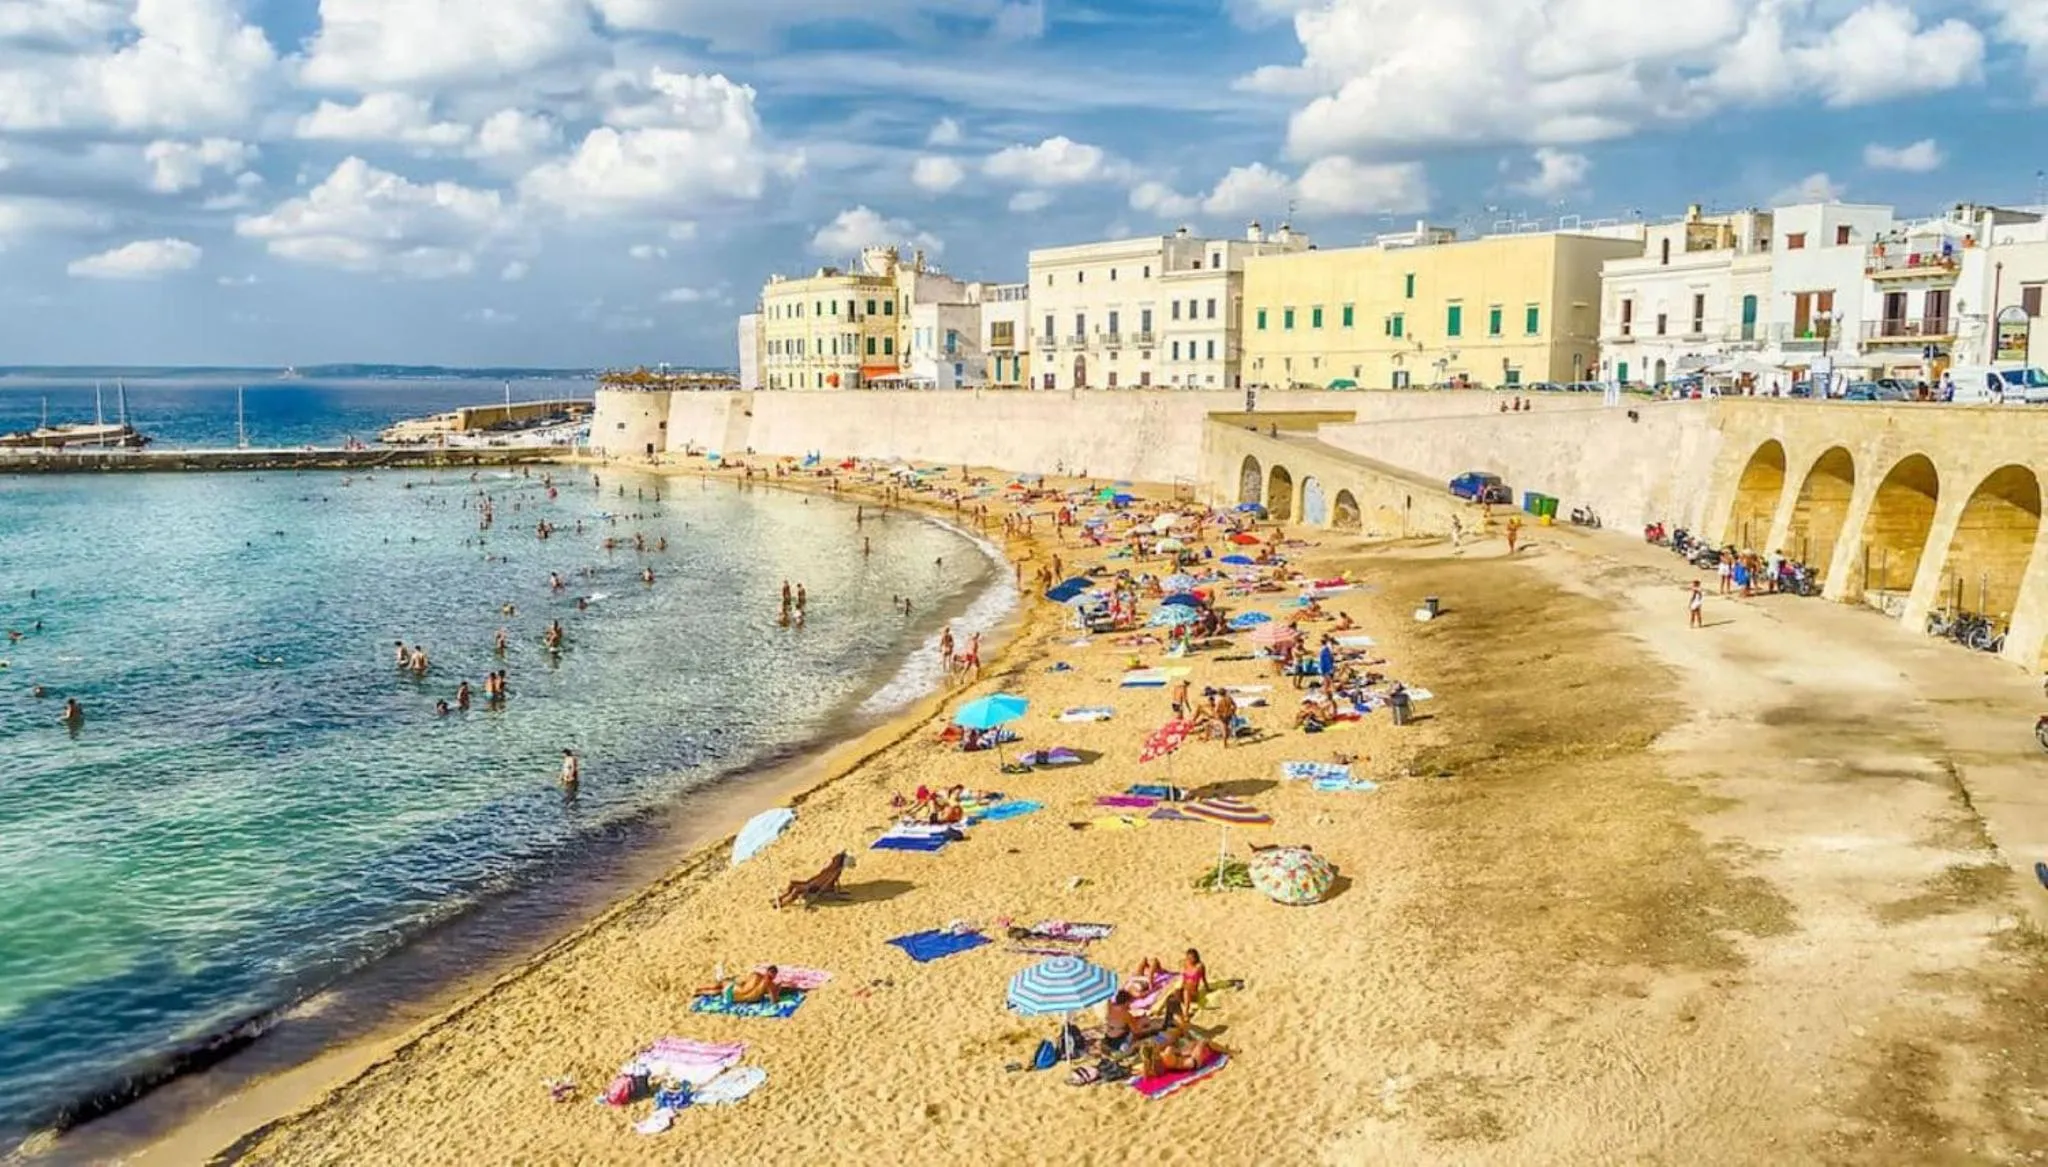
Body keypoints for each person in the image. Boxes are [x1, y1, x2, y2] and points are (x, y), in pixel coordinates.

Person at [1139, 1022, 1227, 1078]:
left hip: (1187, 1063)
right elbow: (1179, 1051)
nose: (1156, 1046)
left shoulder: (1151, 1066)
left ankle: (1223, 1049)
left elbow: (1145, 1074)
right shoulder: (1165, 1053)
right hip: (1194, 1062)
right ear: (1154, 1050)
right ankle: (1230, 1051)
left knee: (1193, 1044)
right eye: (1155, 1046)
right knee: (1205, 1041)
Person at [697, 965, 786, 1005]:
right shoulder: (769, 983)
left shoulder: (755, 975)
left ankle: (698, 990)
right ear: (774, 975)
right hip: (735, 999)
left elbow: (742, 982)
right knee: (720, 991)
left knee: (721, 986)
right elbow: (774, 1001)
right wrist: (777, 990)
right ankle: (702, 991)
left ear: (766, 971)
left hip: (733, 990)